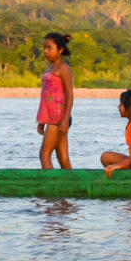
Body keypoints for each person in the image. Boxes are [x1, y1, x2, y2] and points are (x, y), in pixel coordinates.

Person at [37, 32, 75, 170]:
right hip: (51, 117)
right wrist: (42, 121)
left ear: (60, 49)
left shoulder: (63, 69)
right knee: (63, 158)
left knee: (44, 155)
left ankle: (51, 183)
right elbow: (45, 96)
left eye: (49, 48)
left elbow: (69, 94)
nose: (45, 51)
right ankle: (73, 182)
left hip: (59, 117)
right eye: (44, 48)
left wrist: (65, 120)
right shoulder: (49, 68)